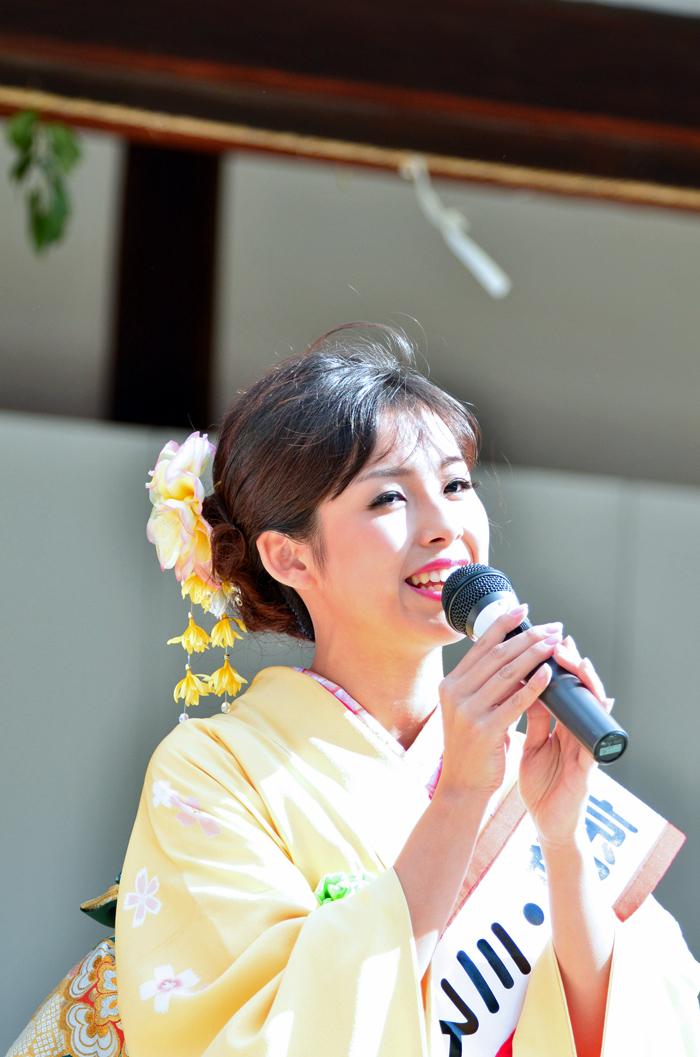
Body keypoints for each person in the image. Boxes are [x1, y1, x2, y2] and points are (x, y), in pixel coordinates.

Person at [115, 323, 700, 1057]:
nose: (444, 525)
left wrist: (562, 842)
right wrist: (459, 797)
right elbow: (245, 1034)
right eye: (389, 498)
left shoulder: (529, 768)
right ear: (290, 557)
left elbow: (643, 1027)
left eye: (455, 485)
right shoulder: (214, 772)